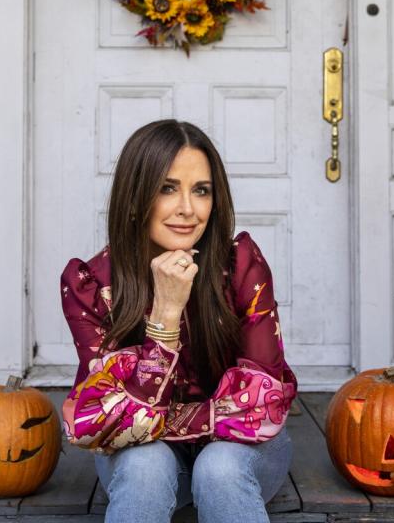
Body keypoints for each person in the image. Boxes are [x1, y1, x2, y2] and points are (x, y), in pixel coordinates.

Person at [60, 119, 296, 523]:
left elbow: (262, 403)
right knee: (144, 467)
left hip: (241, 458)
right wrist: (165, 318)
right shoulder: (91, 285)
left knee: (218, 469)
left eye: (201, 190)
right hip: (144, 463)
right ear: (135, 199)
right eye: (167, 188)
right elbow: (98, 417)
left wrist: (147, 418)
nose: (187, 208)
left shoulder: (241, 267)